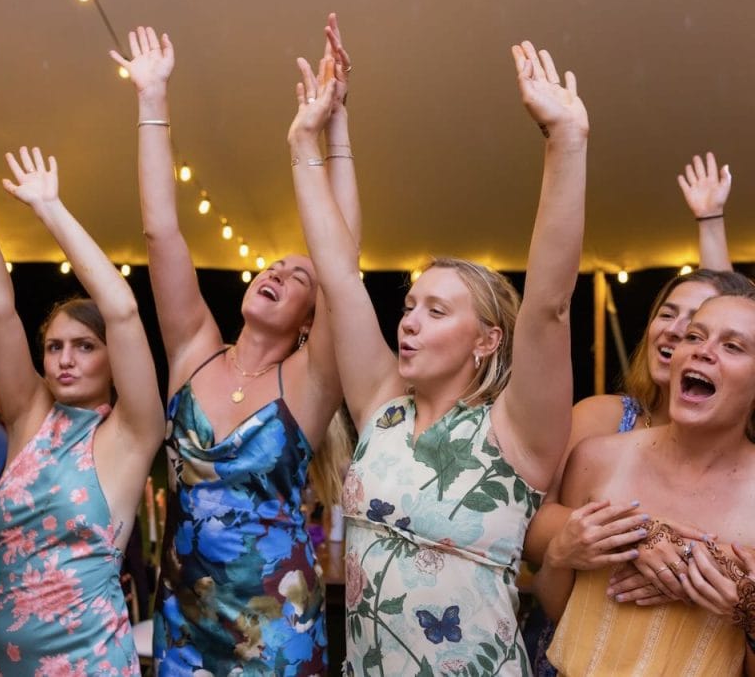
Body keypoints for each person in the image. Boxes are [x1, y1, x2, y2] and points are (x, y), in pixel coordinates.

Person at [289, 40, 587, 673]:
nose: (409, 323)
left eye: (437, 311)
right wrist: (302, 146)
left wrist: (565, 141)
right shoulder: (381, 407)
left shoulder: (516, 433)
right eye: (410, 306)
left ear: (487, 340)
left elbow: (549, 305)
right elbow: (340, 278)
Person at [112, 16, 359, 674]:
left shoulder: (309, 384)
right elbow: (161, 230)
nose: (277, 272)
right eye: (271, 266)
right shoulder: (195, 349)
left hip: (276, 630)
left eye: (297, 274)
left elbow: (343, 265)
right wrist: (152, 97)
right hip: (183, 623)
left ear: (311, 316)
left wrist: (334, 127)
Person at [0, 99, 165, 675]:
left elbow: (121, 310)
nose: (65, 360)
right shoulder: (28, 417)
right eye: (55, 347)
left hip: (89, 663)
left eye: (84, 347)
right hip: (1, 659)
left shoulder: (132, 432)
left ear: (114, 362)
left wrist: (50, 209)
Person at [521, 152, 750, 675]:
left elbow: (736, 321)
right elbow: (534, 527)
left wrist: (711, 224)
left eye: (695, 325)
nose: (683, 335)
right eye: (670, 317)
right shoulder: (604, 433)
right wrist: (639, 538)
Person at [534, 291, 755, 675]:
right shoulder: (597, 458)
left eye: (733, 346)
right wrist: (558, 557)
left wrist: (750, 614)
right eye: (694, 336)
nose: (702, 351)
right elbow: (560, 610)